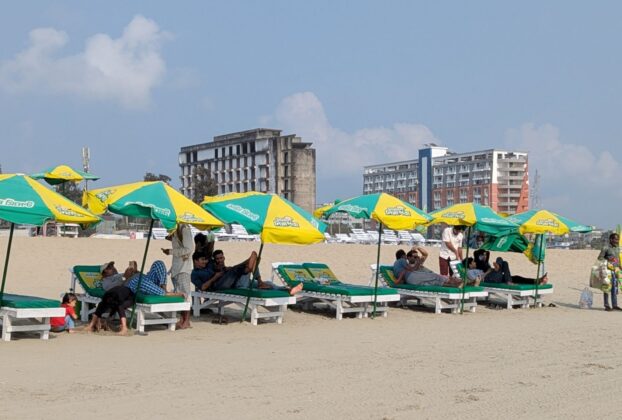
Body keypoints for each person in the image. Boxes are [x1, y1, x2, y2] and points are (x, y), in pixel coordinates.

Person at [86, 260, 184, 335]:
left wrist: (135, 271)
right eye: (110, 267)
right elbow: (115, 290)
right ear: (105, 272)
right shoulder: (106, 281)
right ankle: (163, 293)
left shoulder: (119, 274)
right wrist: (125, 277)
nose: (113, 267)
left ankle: (164, 288)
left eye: (112, 265)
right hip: (132, 287)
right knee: (138, 280)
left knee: (158, 263)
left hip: (146, 280)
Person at [193, 249, 302, 295]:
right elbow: (203, 288)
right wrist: (215, 277)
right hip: (219, 286)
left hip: (231, 280)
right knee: (236, 269)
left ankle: (288, 290)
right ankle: (249, 264)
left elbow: (217, 265)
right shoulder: (195, 274)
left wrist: (224, 269)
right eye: (202, 260)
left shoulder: (208, 265)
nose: (205, 261)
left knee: (269, 283)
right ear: (195, 261)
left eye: (205, 260)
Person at [162, 224, 193, 330]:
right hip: (177, 267)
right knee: (180, 294)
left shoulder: (184, 229)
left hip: (183, 268)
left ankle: (186, 321)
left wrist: (170, 251)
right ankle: (183, 319)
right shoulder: (177, 229)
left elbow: (189, 249)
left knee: (185, 294)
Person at [393, 246, 463, 287]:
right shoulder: (404, 262)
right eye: (414, 257)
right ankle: (458, 282)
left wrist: (418, 247)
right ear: (407, 257)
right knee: (438, 277)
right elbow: (408, 271)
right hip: (419, 277)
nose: (417, 258)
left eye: (417, 256)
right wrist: (417, 263)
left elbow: (425, 254)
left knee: (437, 281)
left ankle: (455, 285)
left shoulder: (400, 265)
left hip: (422, 278)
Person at [483, 257, 548, 285]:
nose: (485, 256)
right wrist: (487, 272)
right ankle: (498, 267)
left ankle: (536, 281)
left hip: (498, 276)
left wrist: (491, 269)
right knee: (501, 260)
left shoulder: (485, 264)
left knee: (517, 277)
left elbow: (489, 268)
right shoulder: (476, 269)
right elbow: (480, 278)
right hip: (489, 278)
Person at [598, 233, 621, 311]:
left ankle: (615, 305)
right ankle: (607, 305)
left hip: (615, 271)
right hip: (607, 271)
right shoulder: (605, 247)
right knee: (606, 288)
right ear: (611, 239)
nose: (617, 241)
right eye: (615, 239)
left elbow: (617, 259)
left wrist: (620, 266)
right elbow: (600, 258)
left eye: (618, 239)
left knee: (614, 288)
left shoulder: (617, 248)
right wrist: (608, 260)